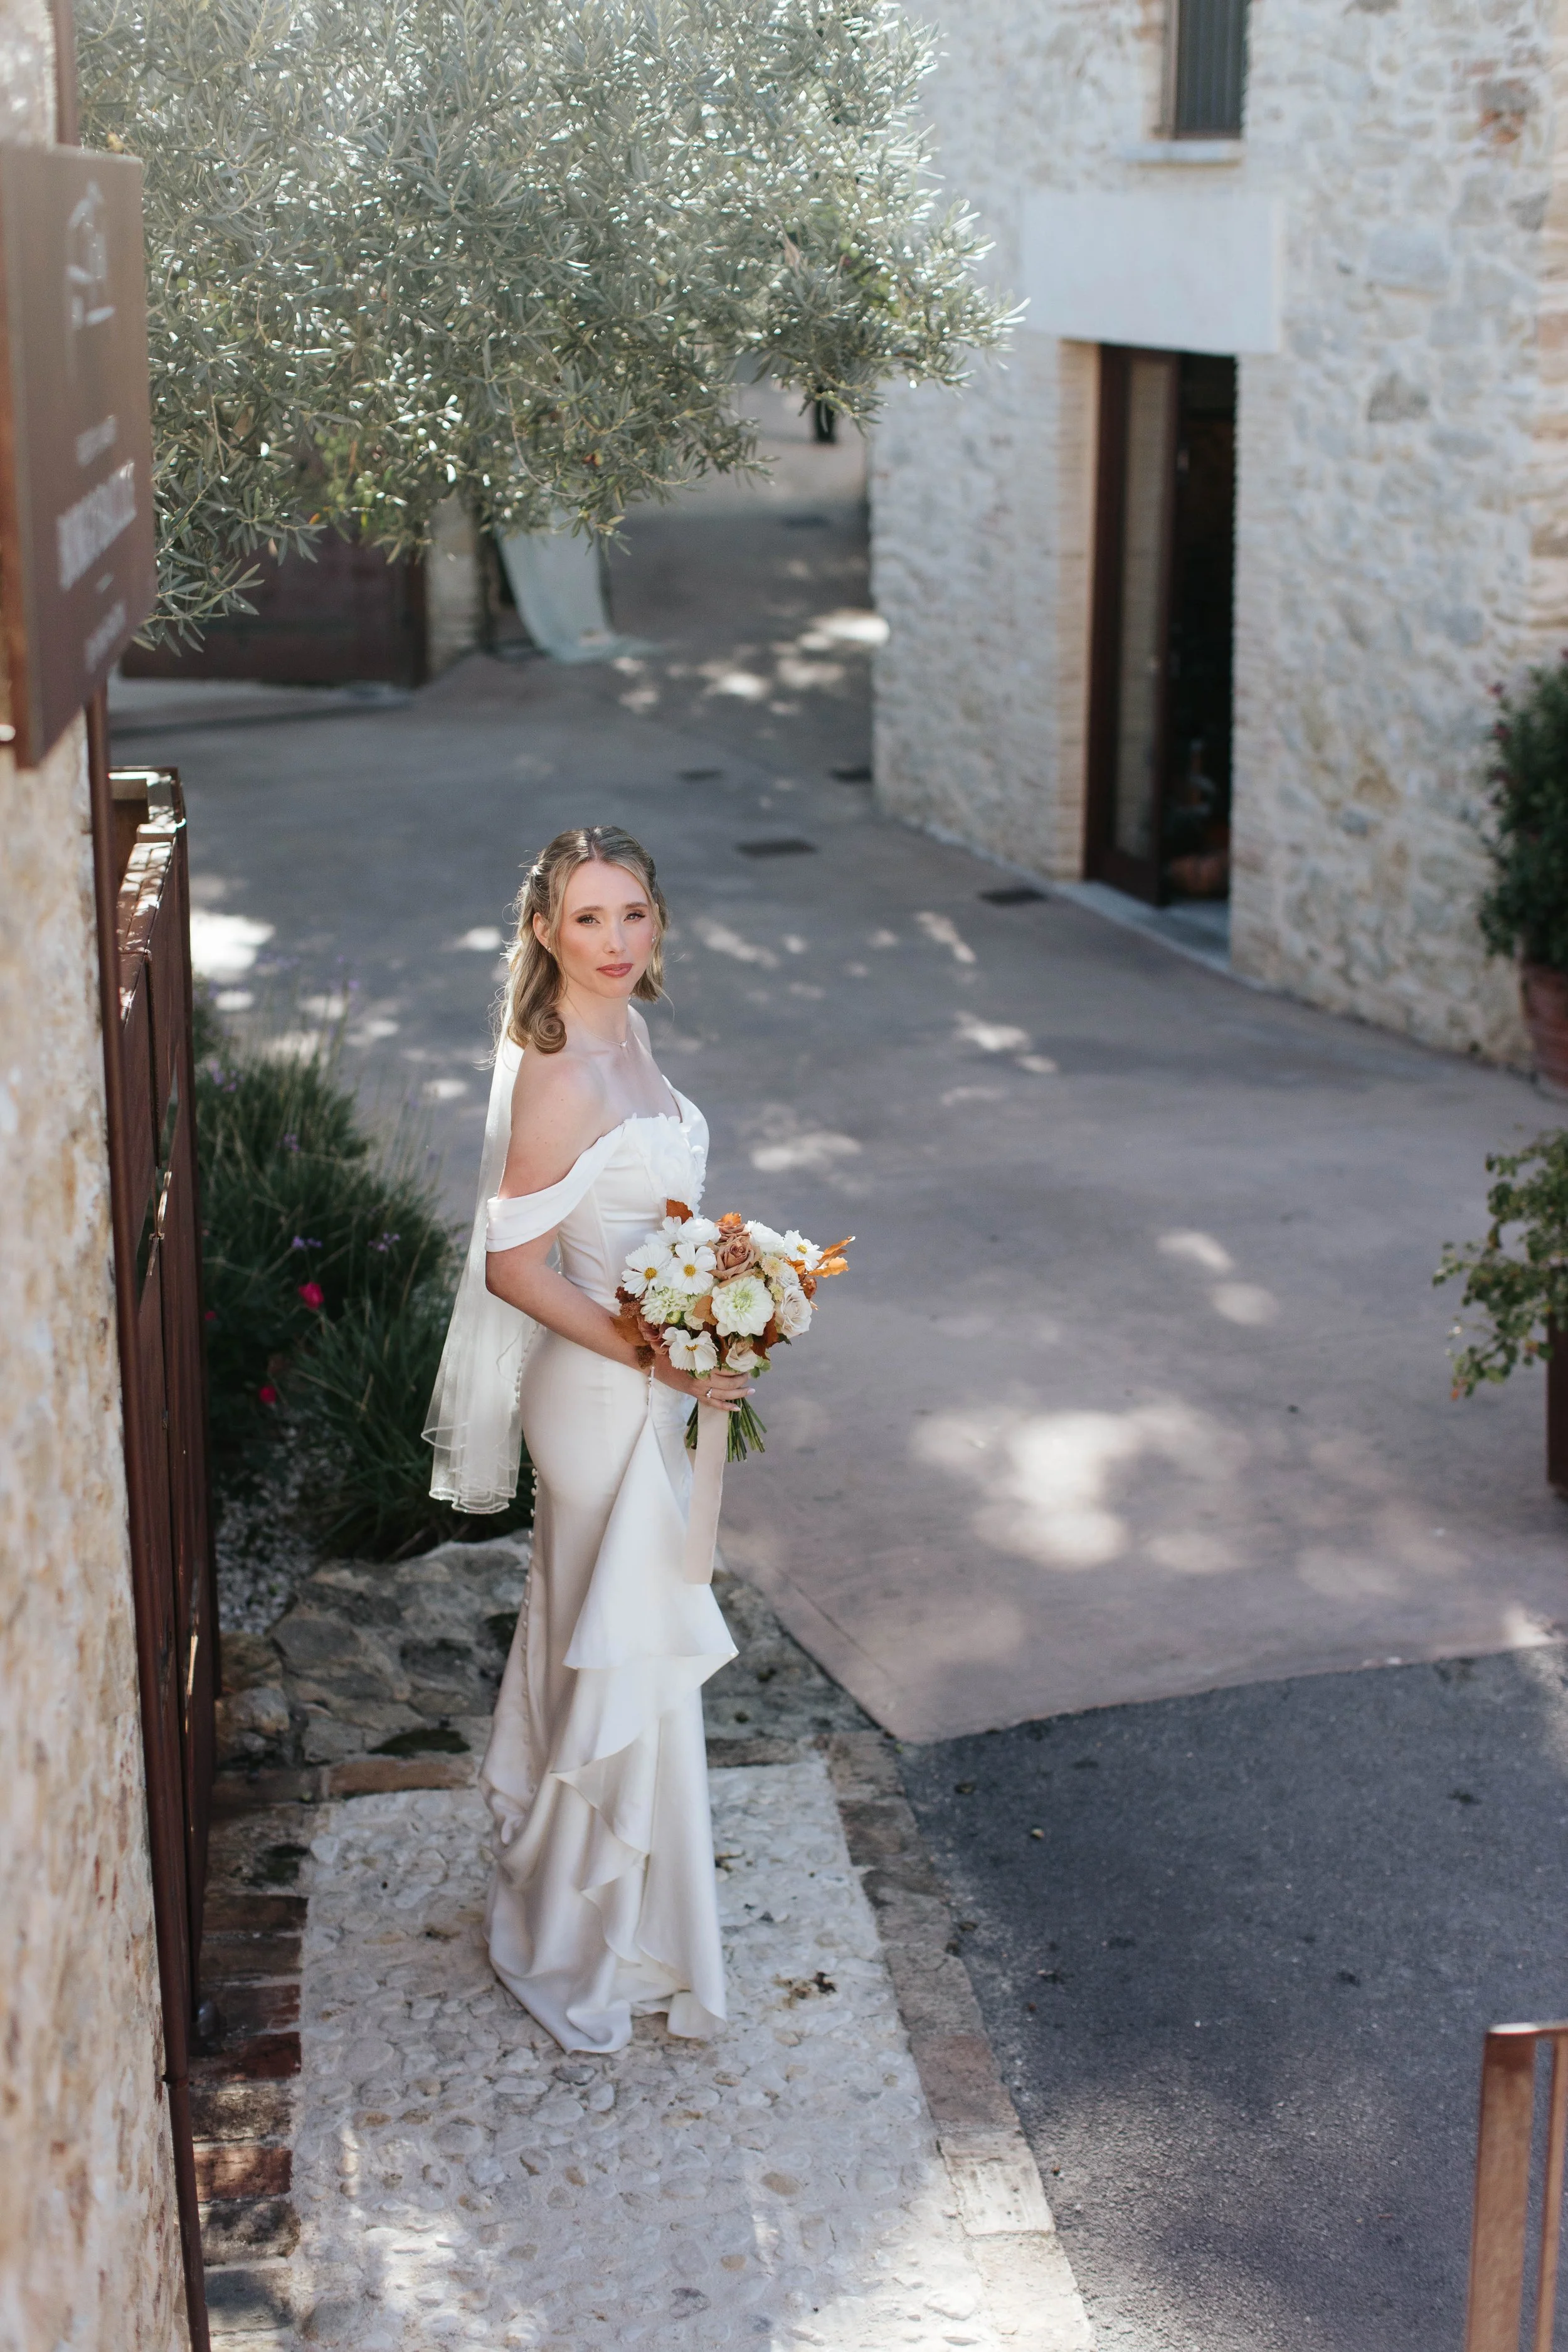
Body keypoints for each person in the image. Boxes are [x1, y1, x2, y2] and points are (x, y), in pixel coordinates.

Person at [423, 825, 750, 2053]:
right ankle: (577, 1933)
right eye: (587, 919)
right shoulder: (558, 1067)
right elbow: (513, 1267)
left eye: (633, 915)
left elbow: (644, 1216)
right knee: (610, 1646)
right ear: (544, 933)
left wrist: (720, 1291)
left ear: (655, 922)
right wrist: (655, 1351)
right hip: (595, 1395)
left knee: (620, 1644)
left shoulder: (632, 1036)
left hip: (648, 1385)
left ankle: (629, 1918)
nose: (615, 943)